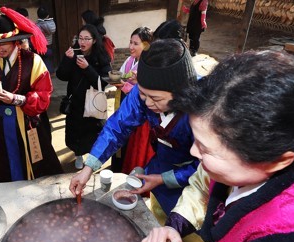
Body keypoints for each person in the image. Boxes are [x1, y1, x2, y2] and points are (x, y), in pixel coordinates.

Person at [111, 50, 294, 242]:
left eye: (206, 150)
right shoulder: (241, 164)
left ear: (276, 161)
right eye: (197, 141)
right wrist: (177, 224)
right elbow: (203, 181)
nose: (195, 154)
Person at [70, 39, 198, 215]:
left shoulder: (206, 110)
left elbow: (207, 165)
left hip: (197, 183)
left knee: (188, 228)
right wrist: (89, 167)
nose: (147, 102)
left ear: (183, 93)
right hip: (160, 168)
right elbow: (118, 126)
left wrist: (164, 178)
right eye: (143, 94)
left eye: (156, 99)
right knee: (158, 216)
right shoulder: (144, 93)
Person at [0, 5, 63, 182]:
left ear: (15, 40)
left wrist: (17, 99)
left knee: (36, 166)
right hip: (0, 124)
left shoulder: (33, 61)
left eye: (3, 42)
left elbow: (43, 96)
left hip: (28, 121)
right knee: (6, 164)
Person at [57, 24, 111, 170]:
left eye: (87, 38)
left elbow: (104, 81)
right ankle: (78, 154)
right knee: (75, 132)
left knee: (93, 132)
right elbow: (61, 75)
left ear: (94, 40)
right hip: (75, 102)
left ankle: (94, 156)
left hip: (92, 102)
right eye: (80, 38)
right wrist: (67, 60)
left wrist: (87, 68)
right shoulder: (73, 53)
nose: (82, 42)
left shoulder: (101, 56)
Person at [111, 26, 153, 174]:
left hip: (139, 112)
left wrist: (125, 86)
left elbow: (146, 92)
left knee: (133, 146)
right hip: (125, 104)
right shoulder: (130, 60)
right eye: (130, 42)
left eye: (136, 43)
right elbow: (123, 77)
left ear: (146, 45)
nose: (131, 47)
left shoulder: (149, 66)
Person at [36, 6, 56, 73]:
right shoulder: (51, 23)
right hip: (50, 44)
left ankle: (46, 72)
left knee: (44, 58)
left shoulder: (38, 25)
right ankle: (51, 72)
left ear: (38, 16)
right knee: (48, 58)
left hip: (42, 44)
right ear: (47, 15)